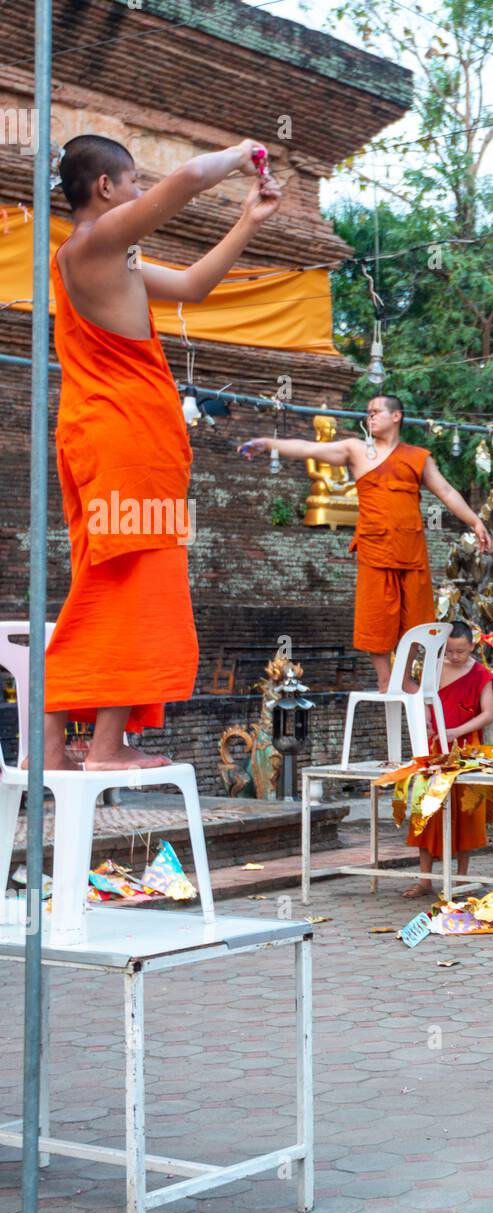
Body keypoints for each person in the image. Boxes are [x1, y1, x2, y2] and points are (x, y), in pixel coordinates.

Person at [41, 133, 281, 771]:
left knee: (105, 582)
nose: (142, 194)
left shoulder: (112, 261)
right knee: (136, 586)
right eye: (133, 184)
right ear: (105, 188)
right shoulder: (91, 244)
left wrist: (246, 221)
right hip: (123, 442)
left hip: (123, 441)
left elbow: (195, 287)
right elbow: (183, 184)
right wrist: (236, 156)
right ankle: (104, 748)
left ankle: (56, 749)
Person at [241, 396, 490, 691]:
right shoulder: (356, 450)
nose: (369, 417)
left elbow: (447, 492)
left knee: (416, 618)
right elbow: (310, 448)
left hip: (410, 548)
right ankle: (385, 679)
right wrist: (269, 443)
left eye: (376, 412)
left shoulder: (418, 456)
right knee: (377, 616)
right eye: (367, 413)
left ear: (396, 416)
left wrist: (475, 522)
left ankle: (404, 675)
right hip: (375, 547)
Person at [401, 622, 493, 898]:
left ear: (472, 647)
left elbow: (487, 713)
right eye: (452, 651)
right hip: (434, 748)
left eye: (462, 652)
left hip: (466, 750)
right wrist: (430, 720)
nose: (456, 657)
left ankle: (461, 878)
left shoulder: (480, 674)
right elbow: (424, 700)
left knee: (465, 813)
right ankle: (425, 879)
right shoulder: (433, 668)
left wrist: (456, 731)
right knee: (426, 810)